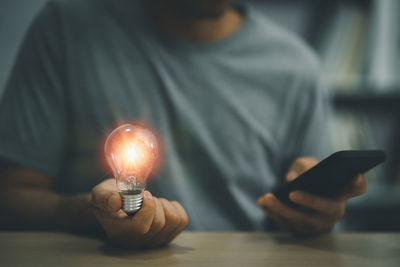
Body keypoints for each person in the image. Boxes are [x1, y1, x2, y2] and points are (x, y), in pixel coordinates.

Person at [0, 0, 366, 249]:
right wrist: (94, 213)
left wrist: (316, 217)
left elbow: (325, 228)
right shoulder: (67, 27)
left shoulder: (295, 66)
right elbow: (11, 196)